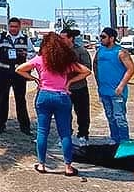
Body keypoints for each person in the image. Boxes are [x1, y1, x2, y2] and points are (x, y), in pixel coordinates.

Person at [16, 32, 91, 176]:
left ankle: (42, 164)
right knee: (65, 133)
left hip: (44, 95)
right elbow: (86, 71)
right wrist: (69, 82)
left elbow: (19, 69)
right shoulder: (65, 61)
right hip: (62, 96)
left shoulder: (39, 59)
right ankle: (68, 166)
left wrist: (34, 79)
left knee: (42, 131)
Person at [93, 27, 134, 144]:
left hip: (117, 91)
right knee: (110, 117)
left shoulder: (121, 52)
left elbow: (131, 69)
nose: (101, 39)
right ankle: (114, 139)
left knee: (119, 117)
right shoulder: (100, 51)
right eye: (100, 37)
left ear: (111, 38)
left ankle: (124, 141)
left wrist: (121, 85)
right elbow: (95, 65)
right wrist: (98, 82)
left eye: (103, 37)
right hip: (104, 90)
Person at [60, 28, 92, 144]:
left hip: (79, 87)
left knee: (82, 113)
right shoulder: (59, 51)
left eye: (63, 38)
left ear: (70, 38)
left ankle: (83, 135)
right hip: (63, 88)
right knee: (64, 114)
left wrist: (72, 80)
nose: (61, 40)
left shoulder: (81, 51)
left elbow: (87, 70)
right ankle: (66, 135)